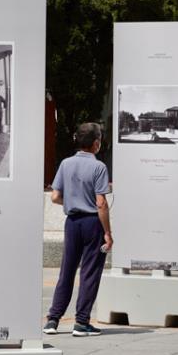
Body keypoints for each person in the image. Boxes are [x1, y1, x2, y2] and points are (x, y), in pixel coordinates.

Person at [45, 123, 113, 338]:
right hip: (92, 223)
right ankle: (81, 322)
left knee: (67, 270)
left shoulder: (65, 163)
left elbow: (55, 196)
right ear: (96, 143)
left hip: (72, 222)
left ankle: (53, 319)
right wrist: (108, 233)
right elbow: (101, 203)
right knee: (89, 272)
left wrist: (73, 201)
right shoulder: (99, 167)